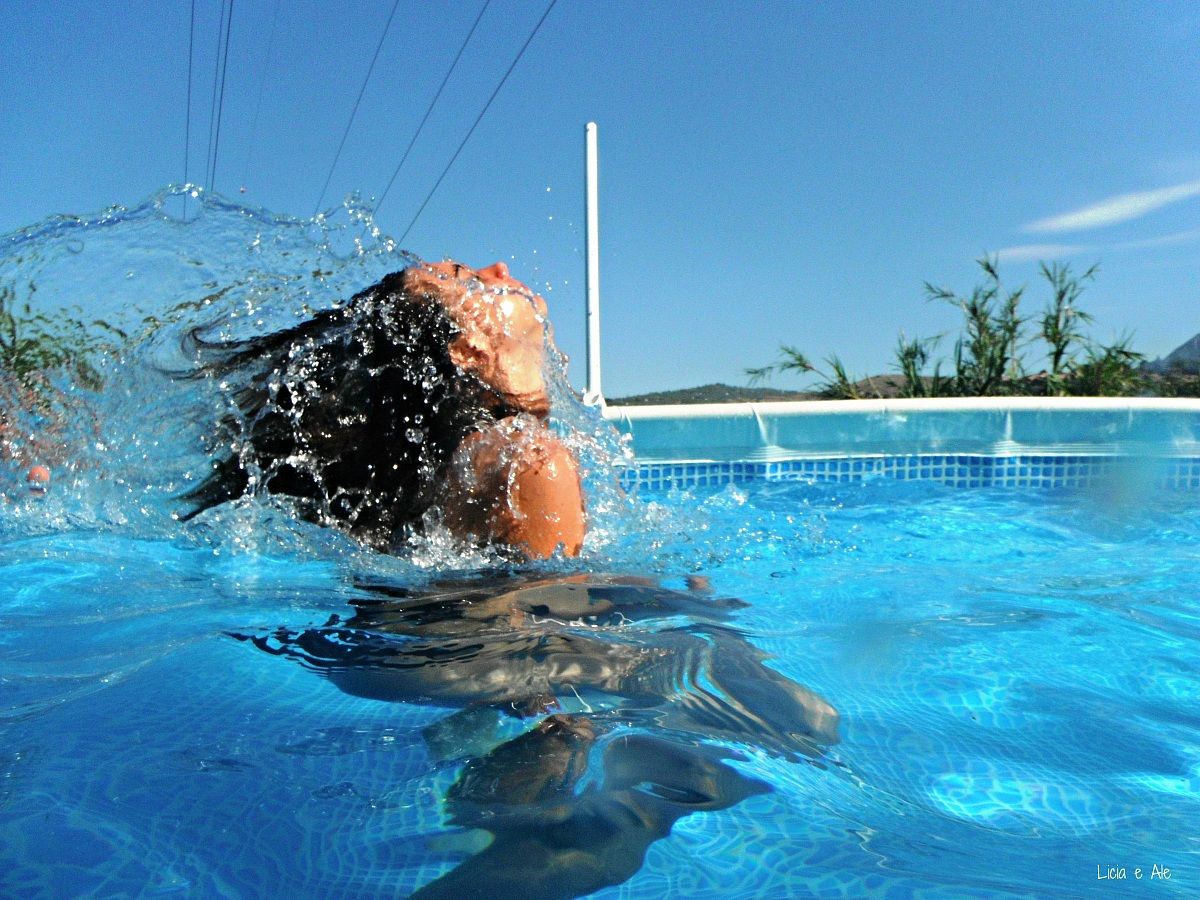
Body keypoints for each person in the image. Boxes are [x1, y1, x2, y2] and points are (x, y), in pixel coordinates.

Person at [181, 259, 586, 559]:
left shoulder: (460, 468)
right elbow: (558, 643)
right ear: (467, 350)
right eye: (469, 278)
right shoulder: (531, 463)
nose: (498, 269)